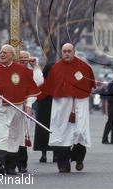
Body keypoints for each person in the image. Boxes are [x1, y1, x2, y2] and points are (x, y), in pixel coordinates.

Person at [0, 44, 41, 175]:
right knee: (1, 134)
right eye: (0, 52)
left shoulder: (23, 70)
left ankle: (10, 166)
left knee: (14, 136)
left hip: (17, 108)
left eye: (5, 53)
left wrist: (29, 105)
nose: (1, 55)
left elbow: (32, 90)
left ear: (12, 55)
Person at [39, 43, 96, 173]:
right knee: (62, 132)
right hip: (61, 104)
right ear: (61, 52)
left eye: (69, 51)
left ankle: (78, 157)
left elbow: (90, 84)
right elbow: (48, 86)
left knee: (81, 131)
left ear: (74, 52)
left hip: (79, 103)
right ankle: (63, 164)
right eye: (64, 51)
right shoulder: (56, 68)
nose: (66, 53)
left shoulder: (84, 67)